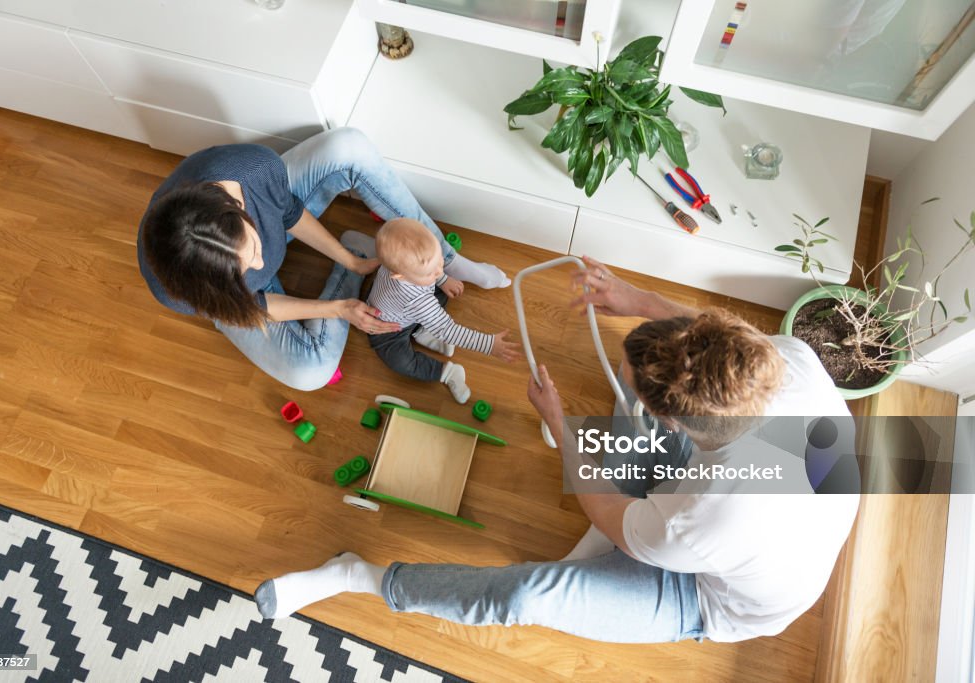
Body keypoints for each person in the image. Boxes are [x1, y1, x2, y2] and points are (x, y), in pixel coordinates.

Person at [252, 256, 859, 644]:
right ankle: (618, 488)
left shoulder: (708, 519)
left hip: (710, 596)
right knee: (617, 455)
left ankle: (358, 574)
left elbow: (608, 514)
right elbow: (710, 334)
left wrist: (562, 421)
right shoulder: (784, 363)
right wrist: (639, 300)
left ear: (669, 416)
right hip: (756, 516)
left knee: (528, 596)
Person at [138, 128, 510, 391]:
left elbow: (288, 213)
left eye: (252, 247)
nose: (259, 265)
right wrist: (338, 309)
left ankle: (446, 260)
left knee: (349, 146)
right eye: (244, 269)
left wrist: (349, 260)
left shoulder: (252, 170)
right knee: (309, 373)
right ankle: (359, 265)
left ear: (236, 207)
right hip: (241, 297)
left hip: (261, 204)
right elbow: (257, 304)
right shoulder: (179, 286)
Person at [366, 218, 520, 403]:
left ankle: (424, 330)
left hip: (407, 309)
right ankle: (446, 372)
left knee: (445, 292)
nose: (439, 270)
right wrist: (488, 344)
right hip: (388, 329)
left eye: (439, 260)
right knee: (400, 362)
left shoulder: (398, 262)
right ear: (399, 275)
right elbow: (449, 331)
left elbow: (430, 268)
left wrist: (442, 279)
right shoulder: (418, 300)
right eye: (431, 272)